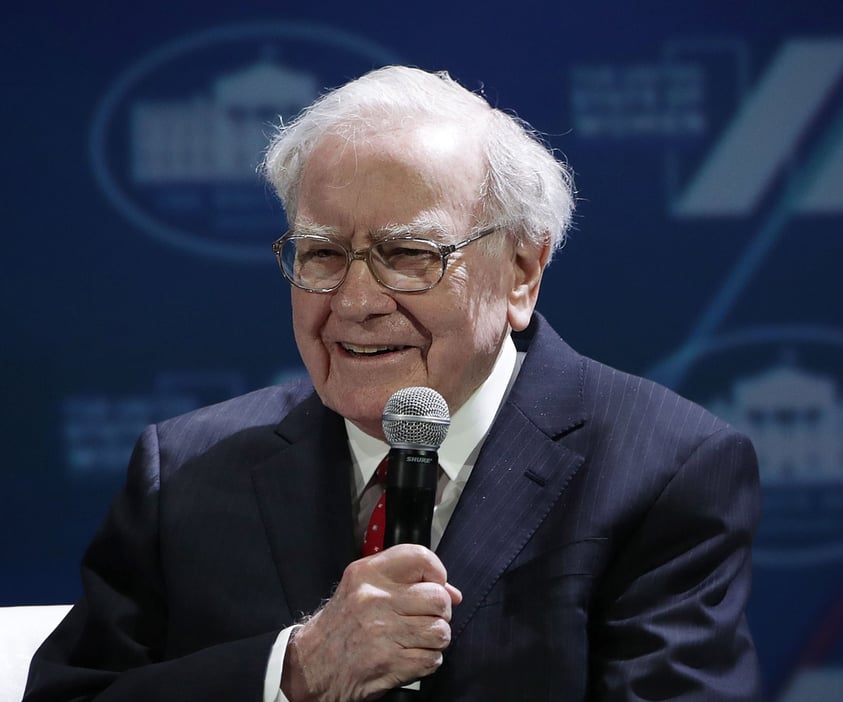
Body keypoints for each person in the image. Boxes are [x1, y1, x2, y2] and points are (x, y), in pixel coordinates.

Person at [24, 65, 761, 701]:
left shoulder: (663, 469)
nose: (354, 300)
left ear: (523, 271)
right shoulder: (184, 471)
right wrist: (294, 673)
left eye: (408, 254)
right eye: (321, 254)